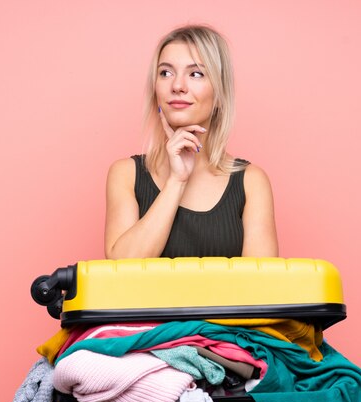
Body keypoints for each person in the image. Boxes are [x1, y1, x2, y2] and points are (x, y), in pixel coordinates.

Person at [105, 24, 278, 259]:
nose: (177, 86)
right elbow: (119, 271)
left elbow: (265, 288)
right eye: (165, 73)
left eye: (196, 73)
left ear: (219, 95)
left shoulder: (251, 182)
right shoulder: (126, 174)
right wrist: (177, 181)